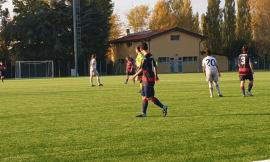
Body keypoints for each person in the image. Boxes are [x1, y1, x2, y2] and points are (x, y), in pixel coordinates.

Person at [130, 42, 168, 117]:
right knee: (144, 96)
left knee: (149, 97)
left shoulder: (145, 58)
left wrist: (134, 76)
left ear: (141, 49)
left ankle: (164, 107)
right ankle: (144, 113)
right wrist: (156, 75)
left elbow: (142, 69)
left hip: (148, 79)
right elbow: (155, 66)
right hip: (146, 78)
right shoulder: (151, 56)